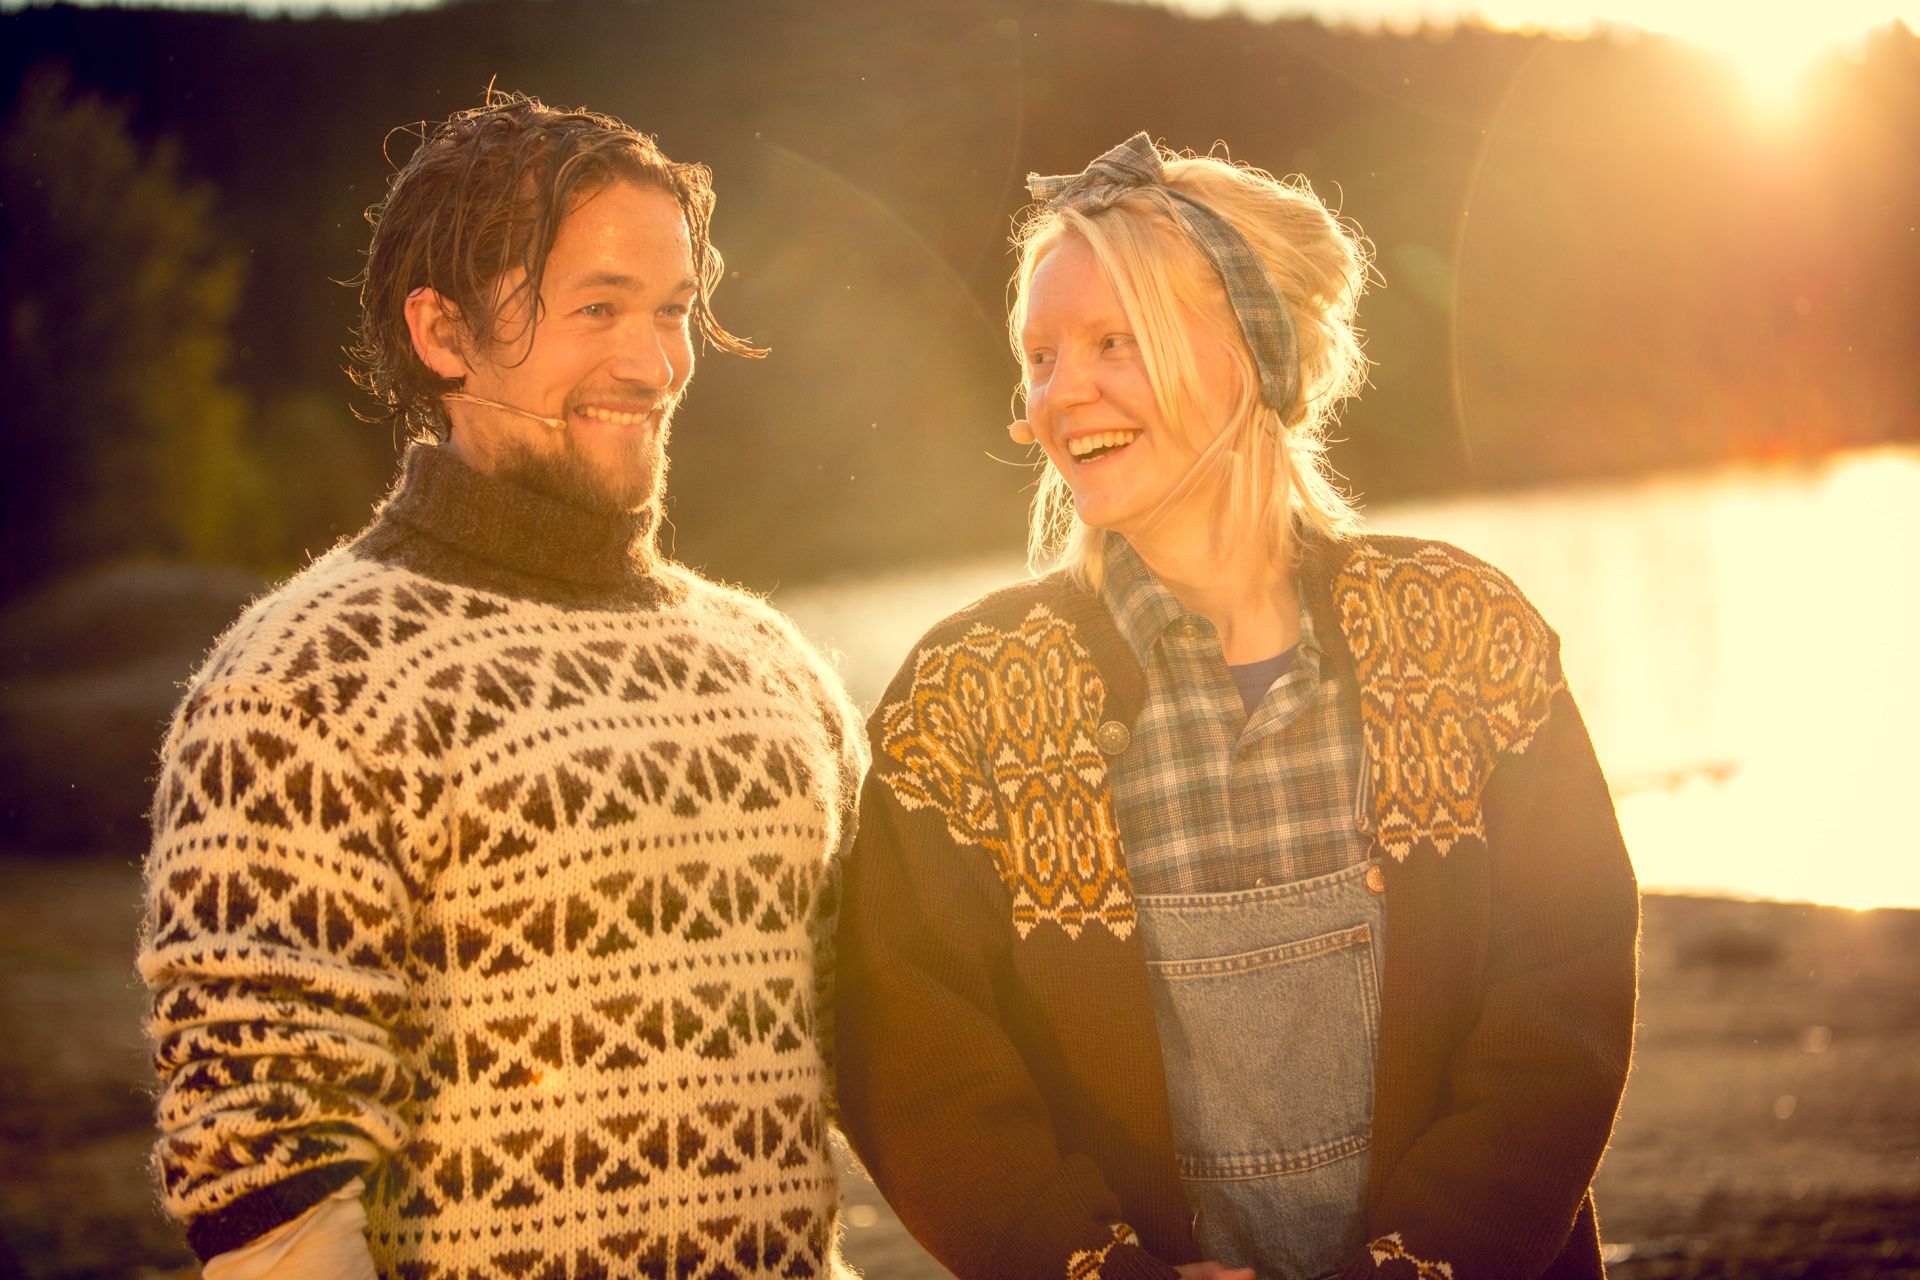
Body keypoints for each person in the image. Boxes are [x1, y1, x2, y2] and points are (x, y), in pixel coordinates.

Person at [835, 134, 1639, 1280]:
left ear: (1255, 354)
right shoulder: (967, 700)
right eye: (1043, 355)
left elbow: (1564, 999)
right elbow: (914, 1057)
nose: (1067, 392)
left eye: (1116, 342)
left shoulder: (1465, 633)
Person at [138, 91, 862, 1280]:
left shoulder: (773, 670)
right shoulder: (298, 680)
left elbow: (890, 1062)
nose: (655, 360)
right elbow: (269, 1184)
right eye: (598, 307)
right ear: (443, 332)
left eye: (674, 310)